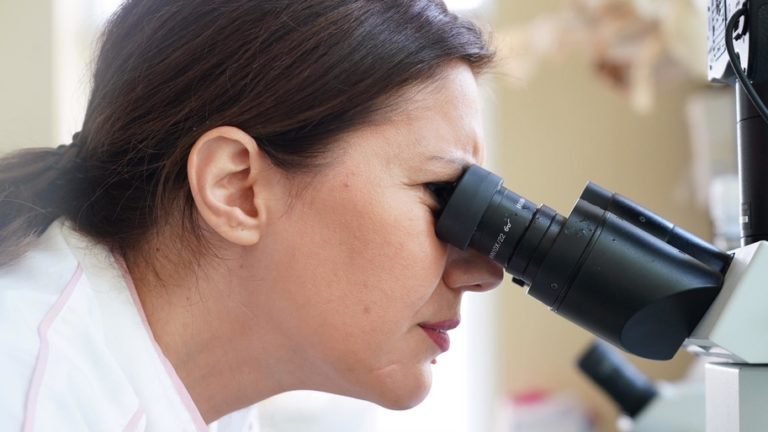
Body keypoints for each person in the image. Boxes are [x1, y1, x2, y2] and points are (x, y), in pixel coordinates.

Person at [0, 0, 503, 430]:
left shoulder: (188, 396)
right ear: (236, 188)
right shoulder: (28, 394)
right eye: (441, 192)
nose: (483, 271)